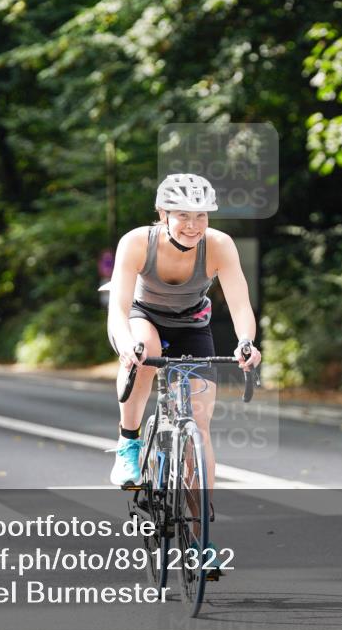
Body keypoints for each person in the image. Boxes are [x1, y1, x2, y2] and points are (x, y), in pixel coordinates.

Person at [107, 173, 262, 494]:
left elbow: (240, 305)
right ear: (163, 214)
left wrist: (246, 342)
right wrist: (126, 345)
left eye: (201, 216)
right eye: (183, 216)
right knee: (145, 348)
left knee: (200, 429)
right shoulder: (136, 242)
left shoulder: (219, 245)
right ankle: (129, 442)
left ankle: (198, 533)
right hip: (142, 317)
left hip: (192, 325)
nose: (193, 225)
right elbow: (118, 310)